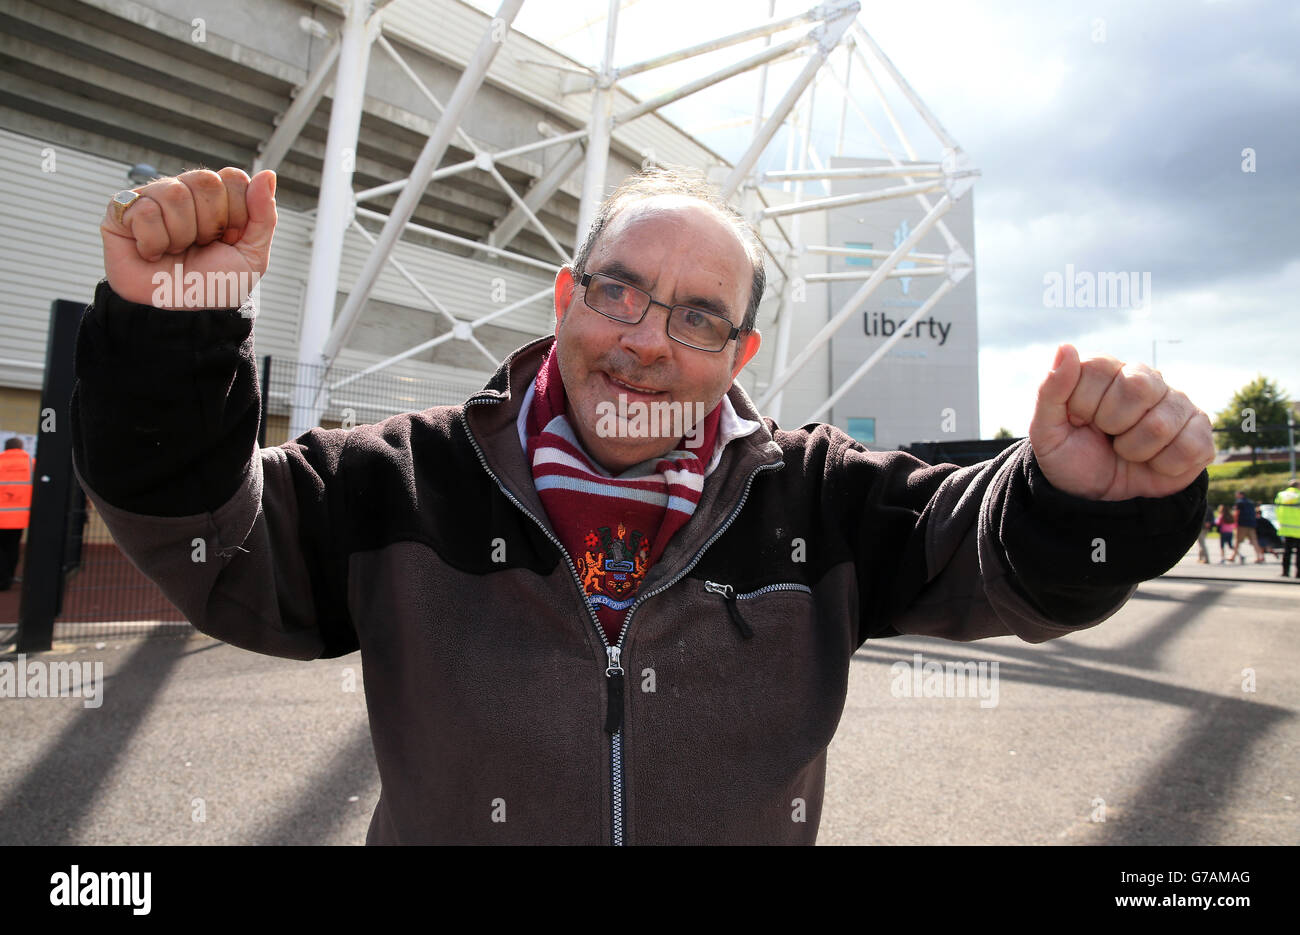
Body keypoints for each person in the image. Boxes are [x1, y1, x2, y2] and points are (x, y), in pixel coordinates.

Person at [70, 166, 1214, 845]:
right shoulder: (399, 481)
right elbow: (222, 552)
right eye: (619, 290)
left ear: (739, 352)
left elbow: (988, 550)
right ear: (568, 295)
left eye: (698, 317)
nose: (646, 340)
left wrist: (1077, 502)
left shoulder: (817, 498)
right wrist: (177, 340)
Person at [0, 437, 33, 591]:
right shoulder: (31, 464)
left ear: (6, 447)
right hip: (19, 517)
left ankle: (2, 578)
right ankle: (9, 578)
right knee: (12, 547)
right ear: (21, 447)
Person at [1230, 489, 1264, 564]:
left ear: (1240, 495)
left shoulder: (1239, 502)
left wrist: (1234, 522)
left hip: (1242, 524)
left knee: (1237, 541)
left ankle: (1233, 556)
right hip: (1252, 524)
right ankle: (1260, 556)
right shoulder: (1251, 502)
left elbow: (1236, 513)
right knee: (1254, 541)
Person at [1276, 478, 1300, 579]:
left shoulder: (1281, 495)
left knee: (1287, 552)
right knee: (1299, 553)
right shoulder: (1299, 495)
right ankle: (1298, 573)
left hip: (1285, 528)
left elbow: (1277, 509)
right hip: (1298, 529)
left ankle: (1285, 572)